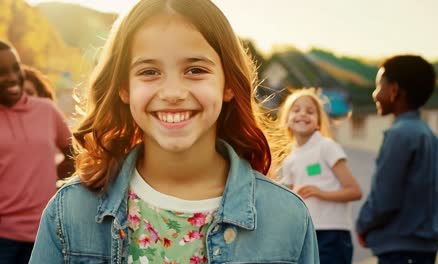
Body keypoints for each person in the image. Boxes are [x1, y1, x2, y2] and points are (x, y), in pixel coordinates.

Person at [29, 0, 319, 263]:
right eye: (149, 72)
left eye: (195, 70)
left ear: (228, 83)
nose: (172, 93)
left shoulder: (288, 219)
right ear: (124, 88)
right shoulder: (68, 213)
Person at [356, 55, 438, 264]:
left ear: (394, 90)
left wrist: (363, 224)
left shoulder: (399, 134)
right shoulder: (430, 136)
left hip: (400, 250)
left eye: (378, 86)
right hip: (424, 248)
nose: (375, 94)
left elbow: (385, 197)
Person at [0, 40, 74, 264]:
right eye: (1, 72)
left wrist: (53, 176)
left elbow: (75, 152)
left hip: (48, 232)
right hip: (3, 239)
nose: (13, 77)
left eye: (16, 68)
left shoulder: (46, 110)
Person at [272, 88, 362, 264]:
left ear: (318, 122)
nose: (303, 114)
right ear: (287, 121)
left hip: (333, 234)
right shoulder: (289, 159)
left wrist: (320, 193)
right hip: (304, 234)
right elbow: (288, 200)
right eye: (296, 110)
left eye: (310, 111)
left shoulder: (327, 147)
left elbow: (354, 191)